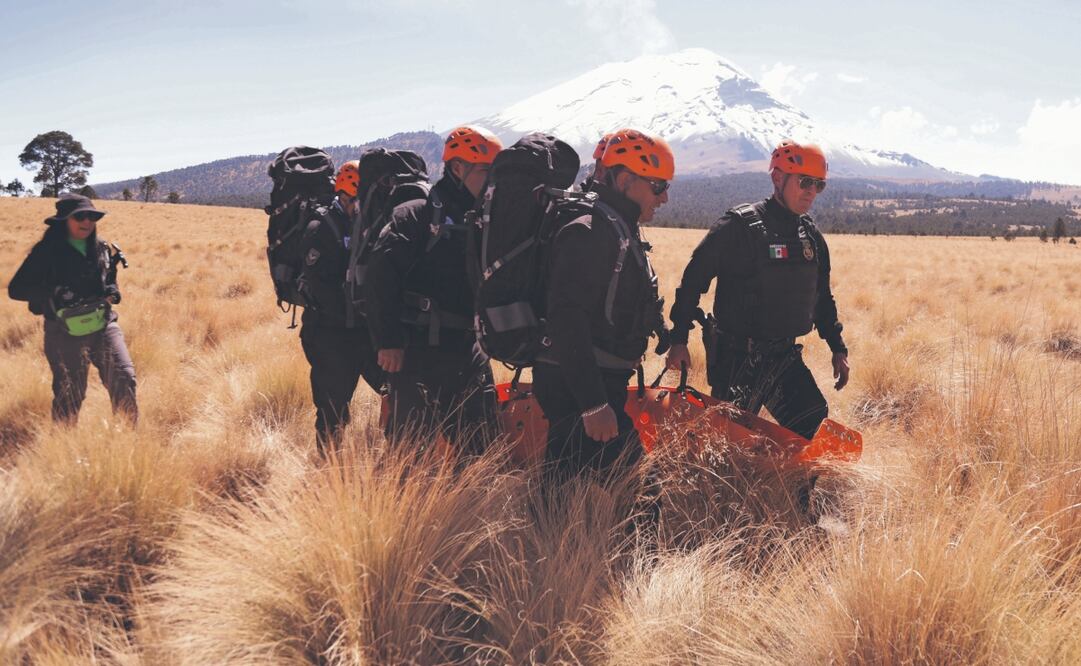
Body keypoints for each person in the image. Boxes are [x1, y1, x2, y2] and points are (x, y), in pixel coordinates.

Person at [666, 140, 850, 441]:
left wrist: (837, 347)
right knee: (729, 441)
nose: (811, 192)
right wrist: (678, 340)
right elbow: (692, 283)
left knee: (812, 426)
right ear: (778, 177)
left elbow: (821, 296)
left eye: (819, 185)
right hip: (737, 358)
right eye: (804, 182)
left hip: (784, 357)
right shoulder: (737, 227)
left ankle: (784, 475)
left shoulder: (809, 236)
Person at [534, 128, 672, 488]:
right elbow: (566, 317)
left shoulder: (615, 223)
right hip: (577, 382)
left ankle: (545, 524)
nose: (664, 197)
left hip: (583, 378)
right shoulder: (590, 229)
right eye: (658, 185)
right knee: (641, 488)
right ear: (625, 181)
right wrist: (593, 403)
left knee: (562, 482)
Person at [363, 126, 502, 455]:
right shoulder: (415, 214)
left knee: (482, 444)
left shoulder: (486, 220)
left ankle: (470, 491)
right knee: (411, 450)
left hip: (469, 347)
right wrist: (388, 341)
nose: (492, 181)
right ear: (458, 167)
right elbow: (379, 278)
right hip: (416, 350)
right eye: (485, 171)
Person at [8, 194, 137, 424]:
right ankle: (63, 442)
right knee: (70, 393)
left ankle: (128, 437)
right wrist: (55, 292)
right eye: (80, 216)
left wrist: (112, 291)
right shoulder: (46, 252)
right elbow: (16, 289)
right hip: (63, 331)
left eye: (92, 217)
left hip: (103, 324)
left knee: (124, 377)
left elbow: (109, 277)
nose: (87, 221)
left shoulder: (101, 247)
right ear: (64, 221)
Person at [296, 160, 385, 456]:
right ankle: (329, 465)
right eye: (359, 201)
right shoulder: (320, 229)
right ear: (345, 195)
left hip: (363, 332)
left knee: (395, 391)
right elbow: (320, 287)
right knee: (332, 408)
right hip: (329, 334)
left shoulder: (368, 225)